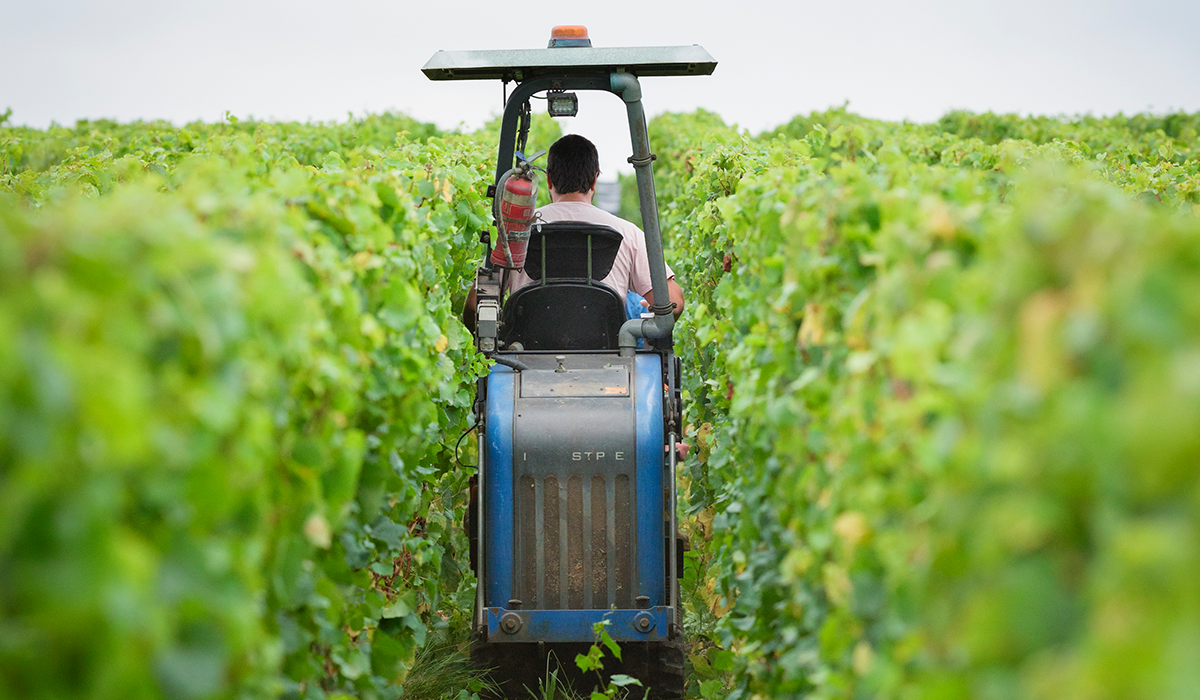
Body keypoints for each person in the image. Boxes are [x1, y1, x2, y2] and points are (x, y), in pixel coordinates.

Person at [463, 134, 685, 326]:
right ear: (595, 180)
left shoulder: (514, 232)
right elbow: (673, 303)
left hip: (523, 356)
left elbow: (475, 306)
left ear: (548, 179)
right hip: (610, 359)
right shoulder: (627, 232)